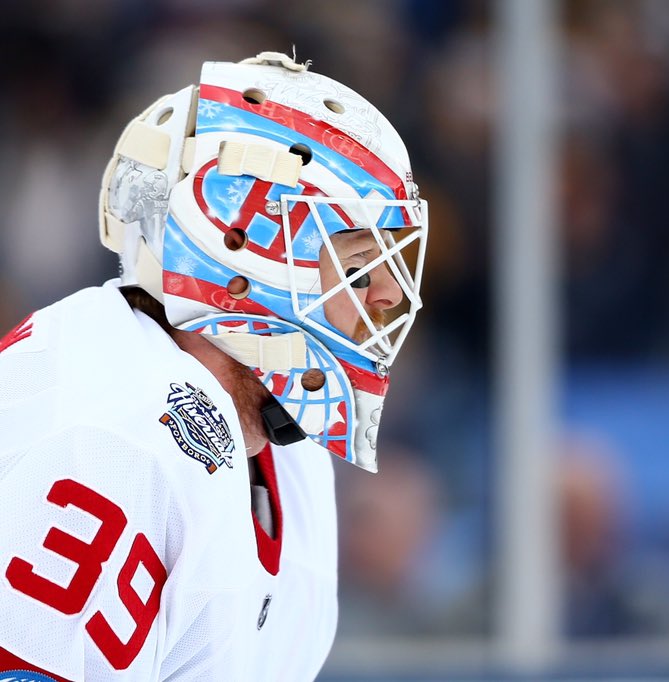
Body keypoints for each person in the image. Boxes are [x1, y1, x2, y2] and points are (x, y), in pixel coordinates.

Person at [0, 51, 427, 680]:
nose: (387, 294)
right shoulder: (106, 439)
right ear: (238, 250)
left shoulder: (283, 443)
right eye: (360, 259)